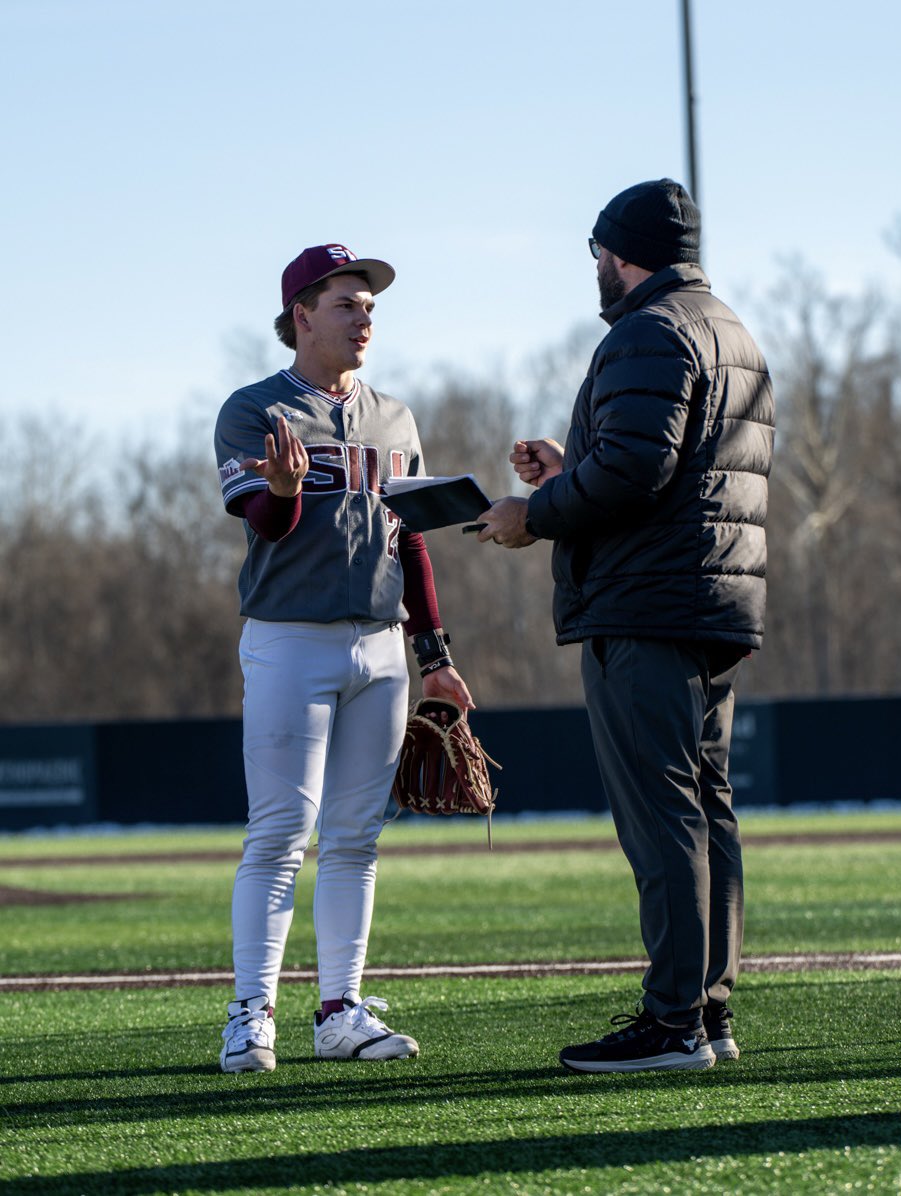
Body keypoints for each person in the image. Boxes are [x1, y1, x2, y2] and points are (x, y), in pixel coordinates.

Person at [476, 180, 774, 1073]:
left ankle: (672, 1023)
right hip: (711, 601)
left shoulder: (649, 328)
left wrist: (536, 510)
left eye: (599, 254)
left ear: (621, 253)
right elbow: (670, 468)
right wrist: (576, 467)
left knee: (662, 818)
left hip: (647, 604)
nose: (596, 271)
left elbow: (639, 473)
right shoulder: (730, 329)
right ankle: (706, 1015)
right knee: (704, 809)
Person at [214, 243, 473, 1073]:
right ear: (301, 316)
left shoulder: (395, 417)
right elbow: (262, 523)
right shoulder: (254, 407)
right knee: (281, 833)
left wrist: (435, 652)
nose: (364, 319)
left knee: (356, 836)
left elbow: (414, 542)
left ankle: (339, 1011)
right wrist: (283, 494)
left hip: (382, 644)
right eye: (346, 305)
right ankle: (251, 1012)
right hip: (289, 636)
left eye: (370, 307)